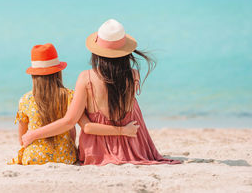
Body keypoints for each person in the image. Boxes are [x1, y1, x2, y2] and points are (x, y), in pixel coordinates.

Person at [22, 20, 181, 165]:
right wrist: (123, 131)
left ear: (96, 52)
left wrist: (32, 135)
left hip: (97, 152)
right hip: (134, 147)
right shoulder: (134, 75)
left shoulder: (86, 78)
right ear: (125, 52)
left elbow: (70, 122)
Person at [9, 43, 139, 165]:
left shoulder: (25, 100)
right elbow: (73, 133)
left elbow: (22, 139)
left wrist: (32, 138)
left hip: (33, 157)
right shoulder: (69, 96)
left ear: (33, 76)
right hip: (65, 155)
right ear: (58, 72)